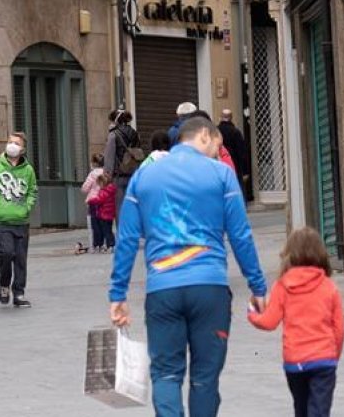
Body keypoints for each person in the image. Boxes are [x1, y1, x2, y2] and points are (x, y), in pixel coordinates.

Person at [109, 117, 268, 417]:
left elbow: (127, 238)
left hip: (162, 290)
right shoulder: (221, 175)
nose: (218, 154)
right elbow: (240, 235)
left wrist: (118, 294)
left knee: (166, 374)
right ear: (205, 137)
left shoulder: (144, 178)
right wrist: (257, 286)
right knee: (205, 378)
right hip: (210, 289)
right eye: (218, 146)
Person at [248, 228, 344, 417]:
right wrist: (333, 356)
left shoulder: (282, 286)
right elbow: (339, 329)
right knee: (319, 411)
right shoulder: (329, 287)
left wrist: (252, 312)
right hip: (324, 360)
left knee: (301, 409)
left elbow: (269, 322)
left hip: (295, 363)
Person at [0, 132, 37, 308]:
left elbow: (32, 191)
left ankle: (19, 292)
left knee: (20, 258)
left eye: (16, 143)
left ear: (23, 149)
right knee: (7, 253)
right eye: (10, 142)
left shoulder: (28, 170)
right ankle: (4, 284)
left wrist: (27, 206)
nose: (12, 145)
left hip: (21, 221)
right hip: (3, 222)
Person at [102, 109, 139, 222]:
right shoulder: (135, 133)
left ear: (116, 120)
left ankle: (122, 234)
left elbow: (109, 156)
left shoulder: (113, 135)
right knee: (132, 206)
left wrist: (107, 175)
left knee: (119, 207)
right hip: (133, 174)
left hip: (118, 176)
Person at [218, 109, 252, 202]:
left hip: (219, 163)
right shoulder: (235, 132)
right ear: (231, 118)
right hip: (235, 164)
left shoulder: (216, 132)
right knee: (238, 186)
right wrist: (245, 170)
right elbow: (242, 152)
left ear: (220, 117)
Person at [79, 154, 107, 253]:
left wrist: (84, 189)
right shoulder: (106, 172)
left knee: (94, 224)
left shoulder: (92, 174)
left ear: (94, 163)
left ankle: (96, 244)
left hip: (94, 201)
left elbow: (85, 187)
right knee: (103, 223)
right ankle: (104, 243)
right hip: (104, 201)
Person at [87, 179, 116, 252]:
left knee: (106, 231)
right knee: (109, 230)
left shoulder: (105, 191)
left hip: (104, 214)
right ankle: (111, 245)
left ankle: (110, 245)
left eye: (99, 184)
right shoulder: (110, 190)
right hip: (109, 214)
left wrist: (90, 200)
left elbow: (99, 199)